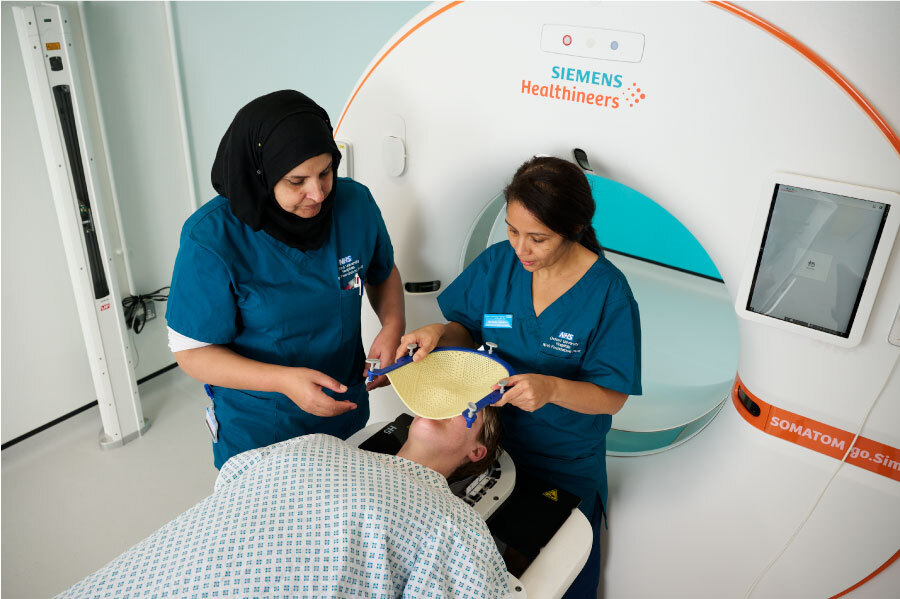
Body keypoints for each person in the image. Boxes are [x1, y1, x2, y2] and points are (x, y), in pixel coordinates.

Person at [397, 155, 642, 598]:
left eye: (538, 238)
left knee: (555, 572)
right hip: (487, 444)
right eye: (512, 231)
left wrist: (551, 388)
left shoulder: (609, 294)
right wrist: (439, 333)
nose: (521, 250)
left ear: (574, 229)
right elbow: (465, 328)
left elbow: (612, 395)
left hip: (561, 459)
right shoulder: (498, 264)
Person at [166, 90, 405, 469]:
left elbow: (382, 270)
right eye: (297, 181)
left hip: (344, 403)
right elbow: (191, 352)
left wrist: (392, 326)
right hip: (262, 423)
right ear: (260, 174)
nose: (318, 193)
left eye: (325, 172)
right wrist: (283, 381)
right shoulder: (211, 239)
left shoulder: (354, 204)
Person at [58, 409, 509, 599]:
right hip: (157, 573)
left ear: (478, 451)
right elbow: (231, 483)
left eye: (470, 406)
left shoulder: (454, 522)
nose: (451, 402)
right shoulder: (320, 443)